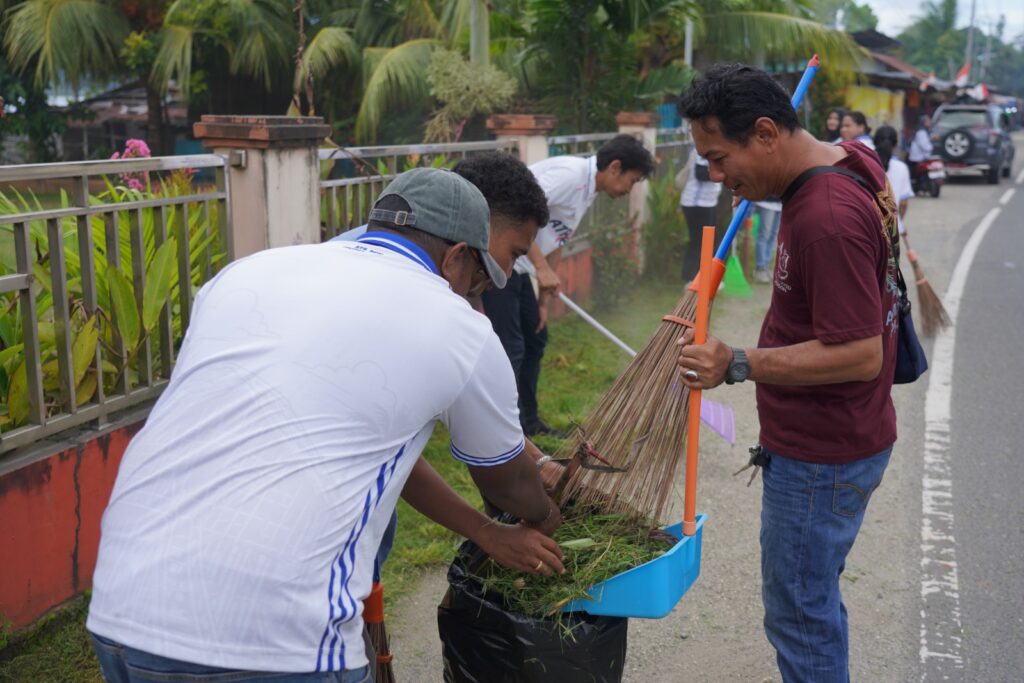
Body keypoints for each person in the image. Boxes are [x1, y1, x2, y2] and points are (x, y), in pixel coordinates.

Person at [87, 167, 566, 683]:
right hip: (270, 638)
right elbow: (508, 483)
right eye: (477, 278)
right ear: (456, 257)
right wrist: (546, 515)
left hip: (121, 606)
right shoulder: (459, 327)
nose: (474, 293)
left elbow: (361, 448)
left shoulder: (246, 273)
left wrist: (486, 532)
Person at [676, 64, 899, 683]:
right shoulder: (852, 159)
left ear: (767, 133)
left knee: (800, 615)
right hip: (842, 441)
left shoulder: (825, 218)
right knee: (812, 602)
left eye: (720, 159)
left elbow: (860, 353)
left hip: (820, 459)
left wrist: (737, 361)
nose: (717, 177)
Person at [482, 134, 655, 437]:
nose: (630, 190)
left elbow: (557, 238)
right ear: (615, 167)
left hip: (521, 268)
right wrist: (541, 268)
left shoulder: (588, 190)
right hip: (499, 263)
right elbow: (517, 215)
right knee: (511, 348)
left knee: (535, 338)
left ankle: (529, 423)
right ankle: (505, 433)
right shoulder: (569, 176)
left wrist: (544, 300)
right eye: (632, 180)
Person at [679, 149, 724, 281]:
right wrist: (725, 172)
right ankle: (691, 279)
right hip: (696, 203)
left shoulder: (717, 147)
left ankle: (703, 276)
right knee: (698, 242)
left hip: (709, 202)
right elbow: (701, 174)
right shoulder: (705, 148)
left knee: (708, 241)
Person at [874, 126, 914, 237]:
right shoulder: (902, 168)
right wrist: (900, 223)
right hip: (892, 229)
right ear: (895, 144)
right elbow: (903, 203)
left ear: (875, 141)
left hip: (869, 226)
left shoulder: (866, 163)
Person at [752, 199, 782, 283]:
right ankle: (760, 268)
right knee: (764, 234)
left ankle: (766, 267)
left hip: (780, 204)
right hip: (766, 203)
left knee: (773, 235)